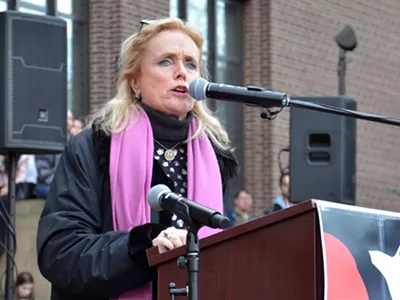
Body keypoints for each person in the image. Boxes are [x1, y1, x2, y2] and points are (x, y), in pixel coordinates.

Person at [36, 18, 239, 300]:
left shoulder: (217, 156)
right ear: (135, 81)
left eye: (191, 64)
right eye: (166, 62)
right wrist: (142, 247)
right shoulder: (95, 146)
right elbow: (60, 253)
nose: (182, 72)